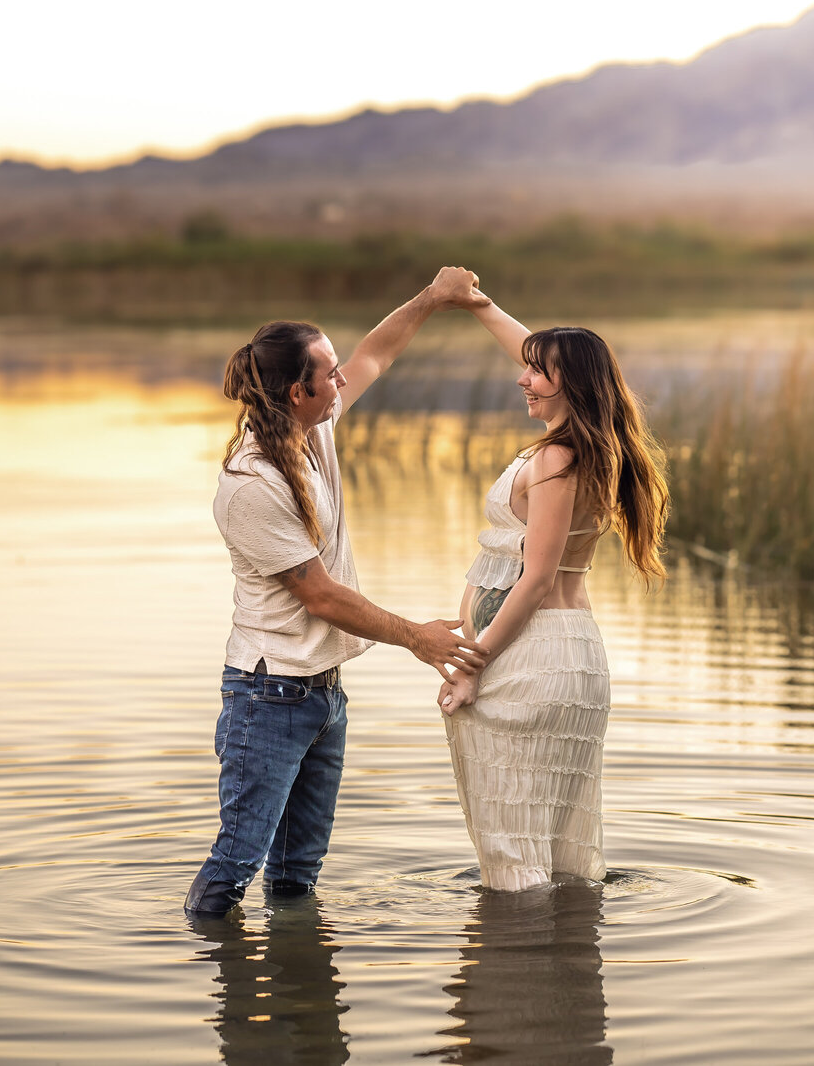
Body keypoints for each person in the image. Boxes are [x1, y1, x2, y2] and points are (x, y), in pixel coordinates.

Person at [186, 266, 492, 916]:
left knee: (298, 875)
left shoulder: (310, 428)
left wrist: (435, 298)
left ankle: (298, 976)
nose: (342, 379)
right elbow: (320, 597)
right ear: (297, 390)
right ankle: (212, 966)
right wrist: (416, 637)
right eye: (329, 373)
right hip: (268, 694)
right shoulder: (251, 482)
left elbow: (375, 354)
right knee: (237, 861)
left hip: (322, 691)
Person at [437, 300, 670, 892]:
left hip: (534, 661)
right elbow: (547, 355)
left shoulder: (556, 458)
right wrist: (479, 304)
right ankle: (562, 944)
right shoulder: (592, 448)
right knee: (560, 850)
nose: (523, 378)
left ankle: (516, 947)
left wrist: (471, 665)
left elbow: (536, 578)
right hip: (567, 655)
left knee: (513, 852)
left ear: (574, 383)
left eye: (538, 372)